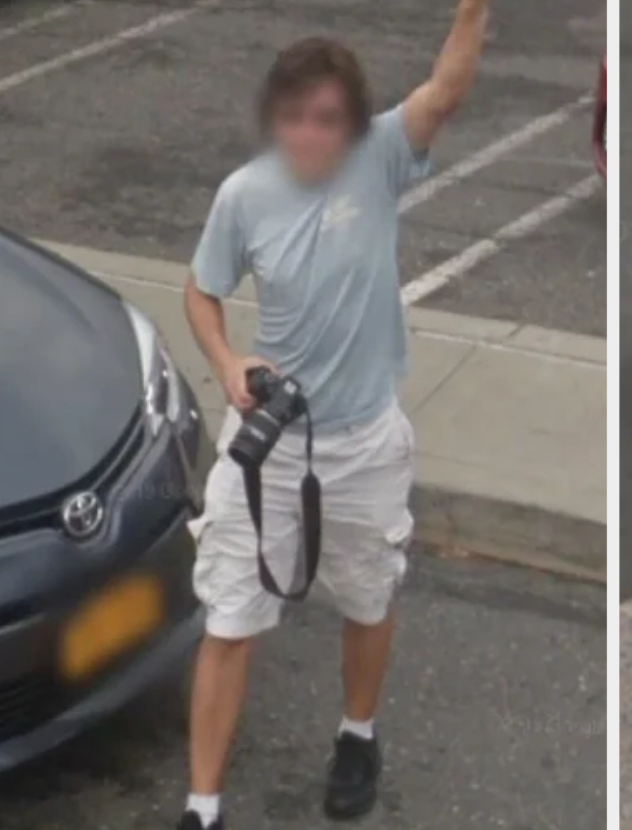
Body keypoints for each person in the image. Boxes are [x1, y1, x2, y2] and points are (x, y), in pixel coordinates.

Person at [177, 3, 492, 828]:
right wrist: (226, 361)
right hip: (269, 447)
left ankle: (358, 733)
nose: (310, 134)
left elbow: (448, 87)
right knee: (231, 615)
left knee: (367, 596)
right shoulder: (243, 196)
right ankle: (201, 806)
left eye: (325, 118)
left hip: (364, 442)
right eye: (294, 118)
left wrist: (474, 9)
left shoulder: (383, 153)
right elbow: (200, 290)